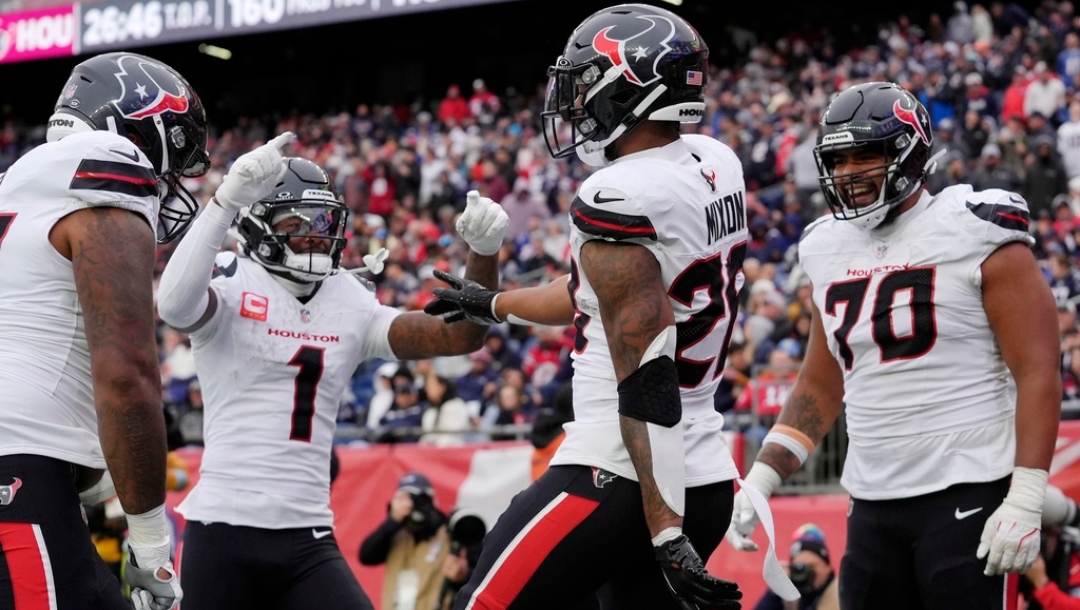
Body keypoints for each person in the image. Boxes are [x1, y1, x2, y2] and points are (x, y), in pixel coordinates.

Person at [424, 5, 749, 609]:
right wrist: (493, 302)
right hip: (705, 473)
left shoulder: (620, 193)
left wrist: (665, 528)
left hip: (622, 471)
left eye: (585, 82)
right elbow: (594, 294)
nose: (574, 104)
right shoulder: (714, 162)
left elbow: (645, 373)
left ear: (632, 88)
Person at [726, 81, 1062, 610]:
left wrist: (1025, 495)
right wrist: (762, 477)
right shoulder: (825, 246)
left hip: (967, 487)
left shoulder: (974, 226)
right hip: (872, 499)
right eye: (838, 159)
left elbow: (1039, 369)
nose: (848, 172)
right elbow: (820, 383)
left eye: (867, 154)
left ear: (908, 152)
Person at [154, 145, 509, 609]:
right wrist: (223, 201)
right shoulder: (235, 279)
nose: (315, 238)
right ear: (259, 226)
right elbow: (175, 307)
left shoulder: (348, 298)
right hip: (223, 529)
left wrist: (482, 255)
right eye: (295, 225)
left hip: (306, 536)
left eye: (322, 224)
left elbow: (459, 338)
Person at [0, 51, 208, 610]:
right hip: (16, 477)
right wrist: (150, 543)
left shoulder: (18, 179)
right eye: (175, 151)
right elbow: (126, 375)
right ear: (136, 120)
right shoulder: (105, 159)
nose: (170, 180)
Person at [359, 472, 453, 610]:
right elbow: (366, 556)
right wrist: (393, 520)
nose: (413, 504)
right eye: (406, 498)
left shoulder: (446, 532)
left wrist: (431, 513)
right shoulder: (394, 533)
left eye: (419, 498)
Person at [752, 524, 838, 610]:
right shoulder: (790, 597)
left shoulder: (841, 594)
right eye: (800, 566)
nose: (807, 571)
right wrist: (775, 591)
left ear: (827, 568)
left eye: (812, 566)